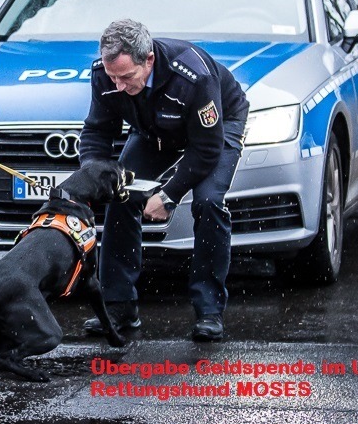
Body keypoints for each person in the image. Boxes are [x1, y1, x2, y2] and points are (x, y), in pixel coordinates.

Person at [80, 19, 248, 342]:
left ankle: (209, 311)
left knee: (208, 201)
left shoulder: (194, 77)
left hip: (216, 128)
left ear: (149, 60)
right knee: (121, 195)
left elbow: (206, 149)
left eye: (126, 77)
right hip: (156, 131)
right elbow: (98, 131)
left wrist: (169, 195)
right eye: (113, 77)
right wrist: (92, 174)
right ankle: (119, 308)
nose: (117, 86)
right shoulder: (105, 74)